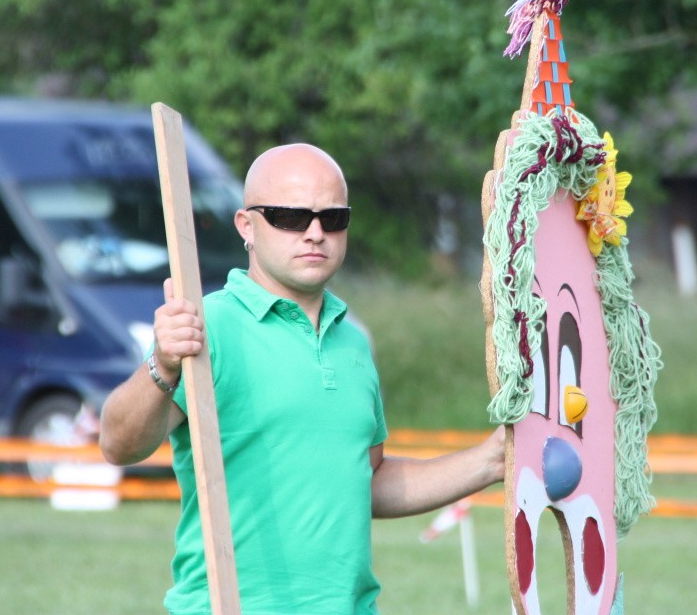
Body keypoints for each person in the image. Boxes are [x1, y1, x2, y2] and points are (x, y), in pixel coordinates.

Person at [99, 143, 505, 615]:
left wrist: (491, 460)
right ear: (246, 226)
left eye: (332, 218)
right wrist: (163, 365)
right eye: (290, 217)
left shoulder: (353, 341)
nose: (315, 233)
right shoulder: (208, 325)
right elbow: (118, 444)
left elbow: (368, 480)